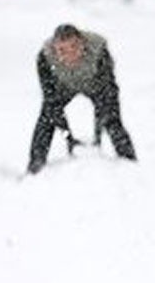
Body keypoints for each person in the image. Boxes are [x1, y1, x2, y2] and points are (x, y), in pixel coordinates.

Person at [28, 24, 137, 174]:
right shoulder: (44, 58)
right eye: (62, 51)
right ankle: (35, 166)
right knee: (46, 118)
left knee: (112, 119)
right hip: (63, 86)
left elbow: (108, 93)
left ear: (83, 43)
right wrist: (69, 138)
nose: (70, 54)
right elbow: (51, 101)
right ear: (54, 49)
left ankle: (130, 163)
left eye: (74, 47)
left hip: (95, 84)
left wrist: (97, 136)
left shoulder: (99, 51)